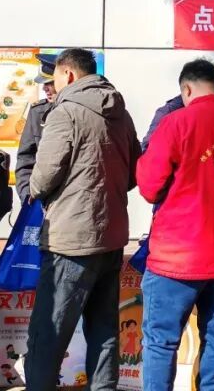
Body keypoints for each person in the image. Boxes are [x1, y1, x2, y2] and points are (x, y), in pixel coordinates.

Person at [137, 58, 214, 391]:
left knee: (161, 341)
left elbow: (148, 187)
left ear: (187, 89)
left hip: (174, 259)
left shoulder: (175, 123)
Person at [25, 48, 141, 391]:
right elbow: (134, 172)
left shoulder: (66, 112)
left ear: (69, 74)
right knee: (104, 331)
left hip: (70, 241)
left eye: (55, 77)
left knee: (48, 333)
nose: (53, 85)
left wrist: (35, 189)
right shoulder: (121, 113)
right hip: (111, 237)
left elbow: (43, 178)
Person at [15, 53, 58, 204]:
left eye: (50, 83)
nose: (45, 88)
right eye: (44, 84)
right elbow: (26, 158)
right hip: (39, 201)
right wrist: (27, 194)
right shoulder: (38, 112)